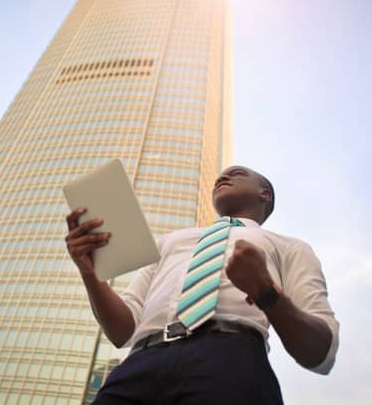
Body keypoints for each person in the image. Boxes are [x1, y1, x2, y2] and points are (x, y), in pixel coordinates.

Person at [65, 165, 339, 404]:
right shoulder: (169, 241)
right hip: (138, 364)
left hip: (231, 360)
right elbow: (122, 330)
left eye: (236, 174)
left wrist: (266, 292)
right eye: (220, 177)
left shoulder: (290, 247)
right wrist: (90, 274)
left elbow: (321, 352)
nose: (223, 177)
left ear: (263, 194)